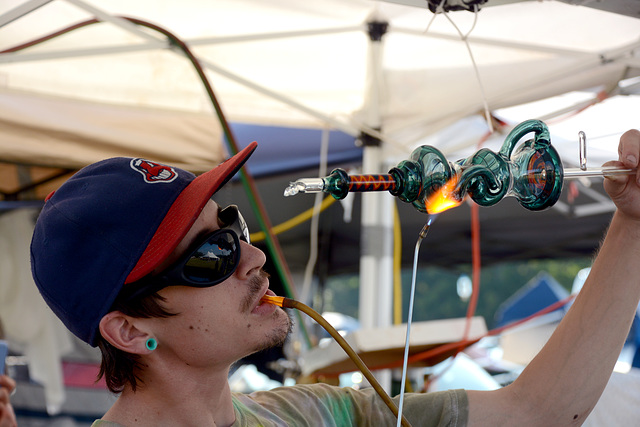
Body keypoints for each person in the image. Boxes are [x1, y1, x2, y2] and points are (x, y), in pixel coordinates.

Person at [29, 129, 640, 426]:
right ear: (129, 332)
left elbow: (536, 411)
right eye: (210, 255)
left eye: (234, 228)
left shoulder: (313, 414)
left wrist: (633, 224)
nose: (254, 258)